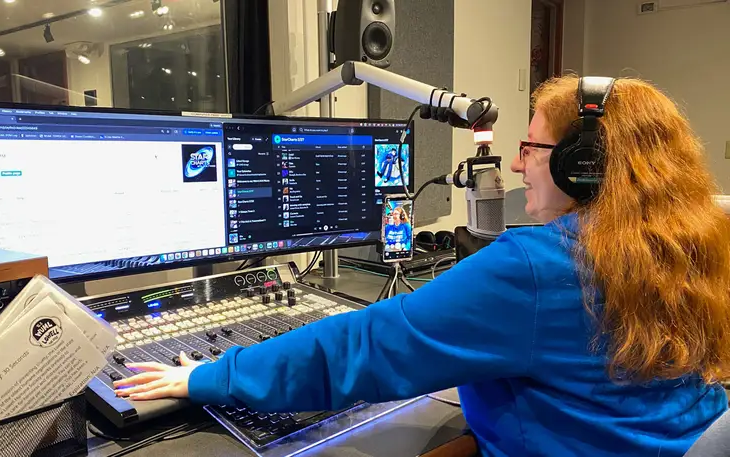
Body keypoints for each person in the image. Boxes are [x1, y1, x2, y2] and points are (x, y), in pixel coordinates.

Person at [113, 75, 730, 456]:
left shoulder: (543, 267)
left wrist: (213, 376)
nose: (515, 168)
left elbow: (368, 346)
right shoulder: (694, 239)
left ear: (582, 164)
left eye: (530, 148)